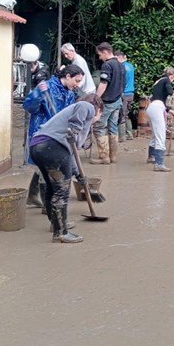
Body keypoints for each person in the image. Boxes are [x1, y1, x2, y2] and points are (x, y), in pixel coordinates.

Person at [29, 94, 104, 243]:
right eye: (100, 113)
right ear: (98, 108)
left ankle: (57, 224)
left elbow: (70, 154)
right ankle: (61, 233)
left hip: (38, 147)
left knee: (52, 188)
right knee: (62, 191)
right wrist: (75, 128)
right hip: (52, 147)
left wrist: (77, 175)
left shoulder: (69, 119)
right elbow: (83, 108)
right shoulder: (87, 106)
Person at [22, 64, 85, 207]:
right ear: (68, 76)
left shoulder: (69, 92)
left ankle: (32, 196)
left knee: (42, 168)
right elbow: (28, 106)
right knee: (48, 169)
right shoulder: (47, 88)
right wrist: (37, 94)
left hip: (58, 135)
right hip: (42, 133)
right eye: (77, 81)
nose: (77, 85)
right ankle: (48, 207)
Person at [89, 42, 125, 164]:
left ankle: (104, 157)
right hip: (118, 100)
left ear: (105, 52)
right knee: (113, 127)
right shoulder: (121, 65)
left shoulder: (107, 65)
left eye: (100, 54)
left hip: (107, 102)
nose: (99, 57)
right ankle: (113, 156)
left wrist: (96, 98)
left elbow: (104, 83)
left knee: (98, 126)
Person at [146, 67, 174, 172]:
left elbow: (158, 99)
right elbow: (171, 92)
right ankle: (159, 163)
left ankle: (151, 157)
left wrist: (170, 111)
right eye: (173, 79)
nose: (172, 81)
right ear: (172, 75)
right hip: (157, 108)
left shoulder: (158, 81)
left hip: (151, 107)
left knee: (155, 134)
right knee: (161, 135)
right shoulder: (166, 80)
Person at [115, 49, 136, 141]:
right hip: (131, 93)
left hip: (124, 93)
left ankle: (122, 136)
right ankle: (129, 133)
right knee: (127, 114)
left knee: (121, 114)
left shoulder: (121, 67)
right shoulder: (130, 66)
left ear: (119, 57)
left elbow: (120, 82)